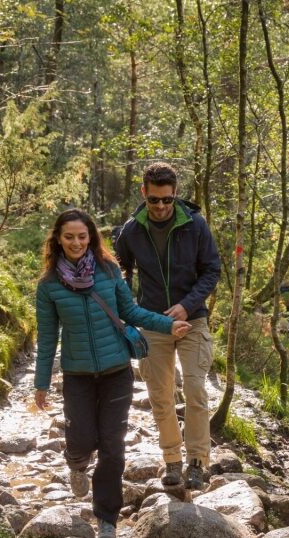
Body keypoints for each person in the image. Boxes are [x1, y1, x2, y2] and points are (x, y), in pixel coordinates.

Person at [34, 208, 191, 538]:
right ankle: (76, 463)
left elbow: (130, 311)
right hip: (77, 374)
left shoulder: (108, 271)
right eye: (69, 237)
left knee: (112, 446)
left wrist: (167, 324)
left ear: (90, 236)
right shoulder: (48, 285)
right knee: (81, 439)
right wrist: (41, 383)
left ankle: (106, 519)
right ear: (58, 239)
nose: (76, 242)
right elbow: (47, 337)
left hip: (117, 370)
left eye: (81, 236)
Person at [114, 162, 221, 490]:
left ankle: (197, 463)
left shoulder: (196, 225)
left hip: (193, 319)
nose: (160, 207)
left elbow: (212, 270)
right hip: (151, 321)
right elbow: (121, 272)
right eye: (154, 200)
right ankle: (172, 461)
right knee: (159, 394)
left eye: (167, 200)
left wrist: (186, 305)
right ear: (144, 193)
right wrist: (127, 311)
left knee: (194, 388)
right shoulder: (130, 231)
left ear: (176, 194)